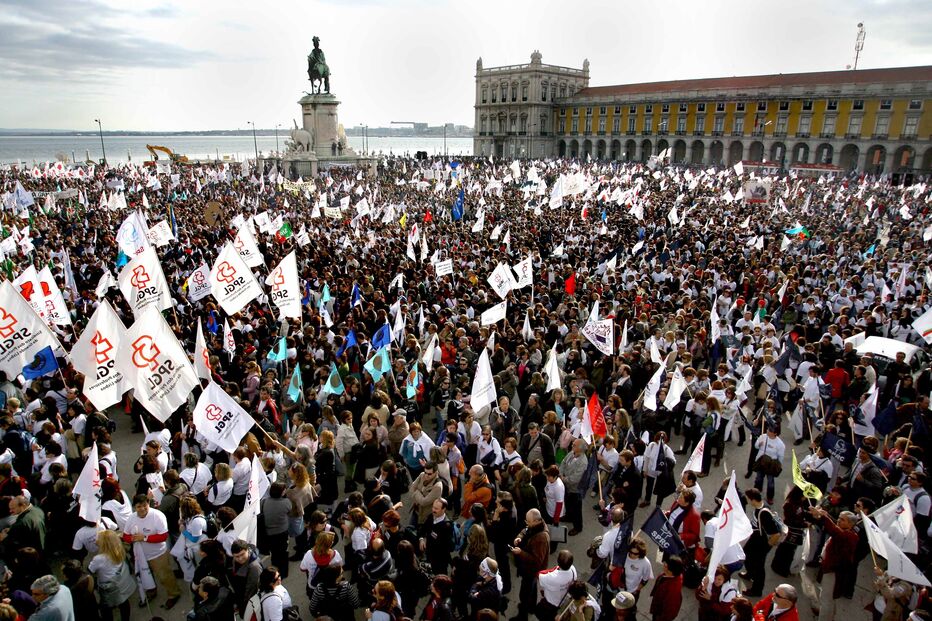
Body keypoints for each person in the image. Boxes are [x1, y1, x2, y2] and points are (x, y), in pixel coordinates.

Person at [119, 494, 181, 609]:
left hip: (158, 554)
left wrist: (144, 538)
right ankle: (151, 592)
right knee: (145, 575)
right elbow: (126, 536)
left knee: (164, 576)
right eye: (138, 506)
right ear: (134, 507)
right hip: (141, 555)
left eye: (144, 506)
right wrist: (133, 538)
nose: (142, 509)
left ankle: (174, 594)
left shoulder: (157, 516)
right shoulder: (132, 518)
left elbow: (163, 536)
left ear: (148, 504)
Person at [808, 507, 858, 621]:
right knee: (828, 597)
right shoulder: (844, 531)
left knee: (826, 598)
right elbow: (835, 527)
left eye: (842, 520)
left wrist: (824, 517)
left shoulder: (850, 536)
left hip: (834, 572)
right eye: (839, 518)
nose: (839, 521)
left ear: (850, 524)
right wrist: (827, 516)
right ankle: (829, 616)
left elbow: (835, 531)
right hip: (829, 568)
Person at [509, 508, 550, 621]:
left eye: (528, 521)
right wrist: (519, 537)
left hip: (531, 570)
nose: (526, 523)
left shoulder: (541, 538)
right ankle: (531, 607)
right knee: (532, 589)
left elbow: (537, 561)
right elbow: (525, 529)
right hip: (529, 569)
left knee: (525, 593)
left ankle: (522, 616)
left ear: (536, 521)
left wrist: (521, 553)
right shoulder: (536, 525)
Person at [88, 530, 137, 621]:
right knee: (124, 603)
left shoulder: (98, 559)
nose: (96, 540)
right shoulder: (120, 550)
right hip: (121, 581)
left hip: (109, 587)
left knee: (106, 608)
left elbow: (90, 569)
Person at [740, 488, 780, 597]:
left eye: (748, 498)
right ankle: (750, 573)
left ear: (753, 500)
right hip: (755, 538)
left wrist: (766, 549)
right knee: (746, 554)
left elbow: (776, 534)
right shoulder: (760, 506)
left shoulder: (764, 514)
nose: (746, 500)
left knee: (759, 568)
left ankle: (756, 590)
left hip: (761, 544)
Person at [537, 550, 578, 621]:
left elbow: (539, 574)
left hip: (550, 602)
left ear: (558, 562)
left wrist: (555, 569)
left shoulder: (552, 577)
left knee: (541, 615)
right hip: (561, 600)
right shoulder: (573, 570)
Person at [229, 538, 262, 616]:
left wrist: (245, 604)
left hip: (250, 600)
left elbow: (252, 588)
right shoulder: (235, 560)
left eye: (242, 554)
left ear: (248, 550)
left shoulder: (254, 567)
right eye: (237, 556)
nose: (240, 558)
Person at [649, 556, 684, 621]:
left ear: (670, 570)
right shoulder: (671, 576)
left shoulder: (672, 589)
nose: (664, 564)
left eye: (666, 565)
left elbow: (669, 610)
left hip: (660, 615)